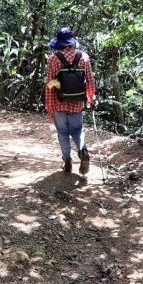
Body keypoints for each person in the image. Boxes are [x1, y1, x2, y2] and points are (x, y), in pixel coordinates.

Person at [45, 27, 96, 174]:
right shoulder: (84, 57)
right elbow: (90, 81)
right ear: (72, 41)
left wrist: (49, 108)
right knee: (77, 130)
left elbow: (49, 86)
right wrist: (91, 98)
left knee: (62, 133)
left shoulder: (54, 59)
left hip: (59, 103)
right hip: (78, 103)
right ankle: (83, 151)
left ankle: (67, 160)